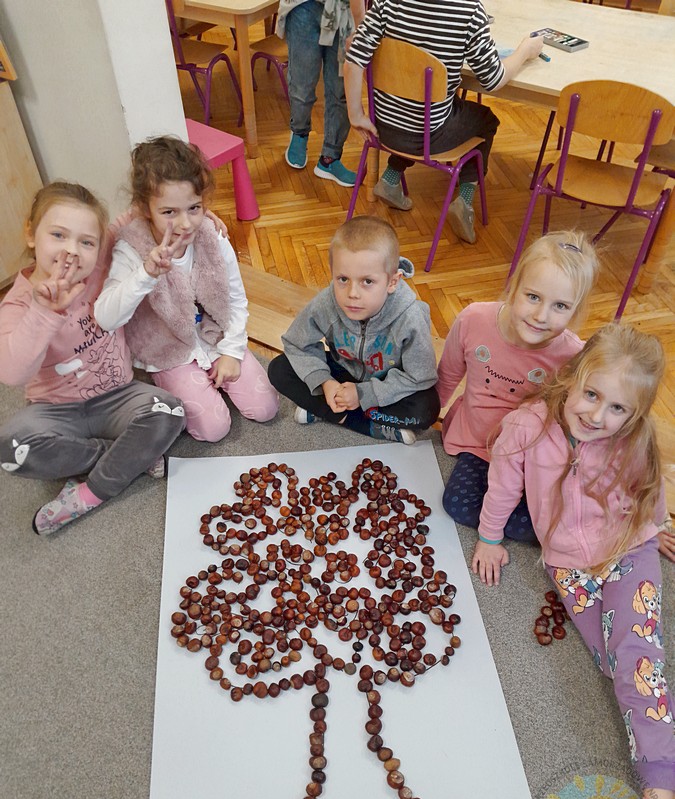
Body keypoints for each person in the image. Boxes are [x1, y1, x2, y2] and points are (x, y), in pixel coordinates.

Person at [472, 324, 675, 799]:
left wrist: (654, 527)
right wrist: (490, 537)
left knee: (639, 661)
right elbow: (503, 487)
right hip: (567, 565)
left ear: (634, 414)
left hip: (629, 550)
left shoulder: (636, 437)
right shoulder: (527, 427)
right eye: (592, 395)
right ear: (573, 376)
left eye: (617, 408)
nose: (598, 415)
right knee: (613, 662)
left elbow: (648, 490)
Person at [0, 182, 185, 535]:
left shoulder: (102, 261)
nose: (72, 252)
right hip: (55, 409)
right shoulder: (17, 303)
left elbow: (144, 209)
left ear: (99, 246)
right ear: (30, 233)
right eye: (58, 235)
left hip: (118, 396)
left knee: (170, 411)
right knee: (12, 449)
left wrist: (200, 220)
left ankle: (89, 493)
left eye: (86, 241)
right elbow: (12, 373)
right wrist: (43, 311)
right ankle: (125, 455)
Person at [94, 136, 279, 442]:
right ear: (144, 208)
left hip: (211, 333)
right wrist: (146, 274)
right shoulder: (131, 249)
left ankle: (218, 367)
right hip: (168, 349)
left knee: (266, 407)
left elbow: (235, 300)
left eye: (194, 207)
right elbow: (106, 318)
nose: (185, 223)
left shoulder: (212, 235)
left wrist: (232, 351)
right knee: (214, 428)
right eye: (169, 212)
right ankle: (167, 382)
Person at [437, 231, 598, 542]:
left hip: (534, 457)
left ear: (576, 311)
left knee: (551, 518)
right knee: (456, 505)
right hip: (477, 445)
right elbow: (447, 376)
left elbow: (583, 422)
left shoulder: (574, 356)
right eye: (533, 297)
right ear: (513, 287)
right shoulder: (473, 320)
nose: (540, 316)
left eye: (560, 306)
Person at [344, 0, 543, 243]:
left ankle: (391, 176)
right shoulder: (469, 11)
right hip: (429, 137)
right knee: (486, 120)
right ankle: (465, 199)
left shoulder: (387, 2)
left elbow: (354, 56)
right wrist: (525, 50)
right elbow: (493, 79)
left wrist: (355, 115)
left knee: (429, 106)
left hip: (383, 128)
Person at [267, 215, 440, 444]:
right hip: (340, 374)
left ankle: (330, 412)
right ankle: (365, 422)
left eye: (367, 281)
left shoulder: (410, 317)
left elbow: (421, 376)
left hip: (384, 385)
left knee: (426, 409)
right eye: (343, 279)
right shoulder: (326, 303)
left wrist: (363, 395)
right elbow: (295, 343)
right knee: (279, 369)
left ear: (392, 282)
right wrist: (325, 383)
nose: (352, 293)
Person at [276, 0, 366, 187]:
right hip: (303, 7)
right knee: (302, 83)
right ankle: (299, 133)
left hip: (344, 11)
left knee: (340, 88)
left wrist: (360, 28)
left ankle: (330, 159)